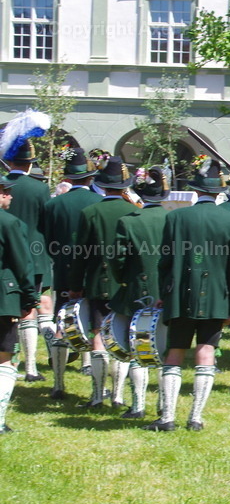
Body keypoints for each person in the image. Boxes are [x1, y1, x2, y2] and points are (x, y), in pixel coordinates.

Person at [149, 160, 230, 431]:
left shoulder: (175, 217)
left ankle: (167, 418)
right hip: (217, 297)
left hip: (180, 295)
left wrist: (162, 294)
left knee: (175, 353)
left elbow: (164, 262)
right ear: (219, 192)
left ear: (195, 190)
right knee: (206, 353)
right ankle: (196, 418)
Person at [68, 157, 139, 408]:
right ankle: (118, 396)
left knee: (98, 335)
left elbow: (80, 255)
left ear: (103, 185)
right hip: (127, 285)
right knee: (121, 338)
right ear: (125, 186)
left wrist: (75, 285)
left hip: (99, 282)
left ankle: (98, 395)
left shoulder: (90, 212)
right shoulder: (135, 211)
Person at [42, 148, 102, 398]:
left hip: (65, 270)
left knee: (61, 324)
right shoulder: (99, 203)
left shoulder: (54, 205)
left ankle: (58, 383)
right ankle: (89, 367)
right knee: (93, 324)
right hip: (95, 273)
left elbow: (48, 241)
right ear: (90, 178)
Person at [111, 166, 170, 419]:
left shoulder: (128, 222)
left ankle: (138, 406)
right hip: (168, 291)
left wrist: (123, 281)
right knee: (165, 349)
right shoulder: (174, 219)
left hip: (139, 289)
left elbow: (118, 261)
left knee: (139, 348)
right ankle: (164, 406)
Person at [3, 139, 52, 384]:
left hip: (3, 258)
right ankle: (31, 366)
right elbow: (46, 224)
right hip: (32, 255)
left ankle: (12, 360)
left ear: (9, 162)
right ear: (30, 164)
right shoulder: (39, 188)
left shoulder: (4, 184)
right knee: (29, 310)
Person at [0, 176, 40, 434]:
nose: (10, 197)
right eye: (5, 192)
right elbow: (22, 264)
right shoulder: (10, 223)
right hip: (3, 300)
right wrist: (29, 298)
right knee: (5, 359)